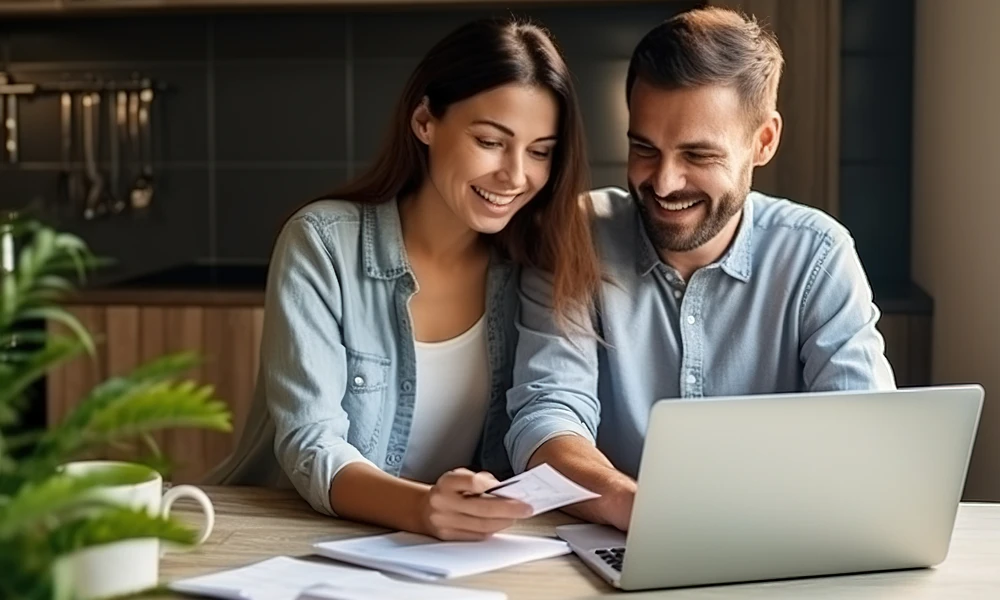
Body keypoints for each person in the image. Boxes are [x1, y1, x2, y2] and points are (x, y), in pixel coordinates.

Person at [205, 17, 602, 541]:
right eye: (490, 141)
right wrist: (423, 510)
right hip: (281, 536)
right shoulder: (322, 242)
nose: (515, 175)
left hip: (440, 551)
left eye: (540, 151)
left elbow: (551, 409)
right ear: (425, 121)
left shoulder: (538, 263)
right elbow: (311, 443)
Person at [504, 6, 897, 533]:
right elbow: (545, 420)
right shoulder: (577, 237)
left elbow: (863, 435)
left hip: (781, 540)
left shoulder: (817, 255)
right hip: (619, 537)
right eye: (644, 148)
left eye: (698, 155)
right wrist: (638, 508)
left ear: (764, 142)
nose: (664, 183)